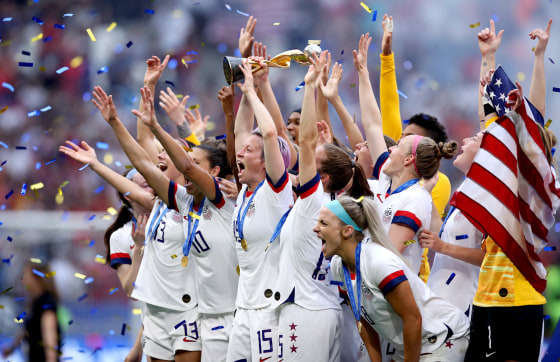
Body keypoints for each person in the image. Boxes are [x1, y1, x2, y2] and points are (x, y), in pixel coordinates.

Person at [92, 85, 201, 362]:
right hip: (156, 313)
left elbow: (146, 157)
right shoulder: (139, 223)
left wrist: (180, 126)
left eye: (166, 155)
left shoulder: (187, 202)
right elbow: (132, 290)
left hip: (196, 310)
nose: (159, 159)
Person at [141, 84, 239, 362]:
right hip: (205, 314)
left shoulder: (224, 198)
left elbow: (190, 165)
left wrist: (162, 126)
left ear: (217, 172)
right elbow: (182, 163)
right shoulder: (185, 200)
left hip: (236, 311)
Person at [314, 196, 470, 361]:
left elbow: (413, 319)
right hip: (413, 342)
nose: (315, 228)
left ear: (347, 230)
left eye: (323, 223)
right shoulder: (338, 266)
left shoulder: (379, 263)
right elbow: (363, 321)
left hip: (442, 338)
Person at [354, 32, 458, 274]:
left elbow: (390, 253)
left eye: (398, 146)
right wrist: (362, 74)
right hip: (373, 294)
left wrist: (351, 254)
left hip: (397, 297)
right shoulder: (387, 177)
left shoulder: (417, 197)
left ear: (410, 158)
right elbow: (372, 125)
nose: (391, 146)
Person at [272, 53, 342, 361]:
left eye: (313, 159)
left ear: (322, 176)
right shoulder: (328, 204)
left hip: (308, 310)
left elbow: (307, 138)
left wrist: (311, 85)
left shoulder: (315, 199)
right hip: (318, 306)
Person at [58, 142, 156, 362]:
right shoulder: (120, 237)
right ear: (128, 195)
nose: (153, 189)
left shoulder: (173, 217)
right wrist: (139, 247)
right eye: (146, 185)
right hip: (159, 324)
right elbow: (131, 290)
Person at [225, 58, 293, 362]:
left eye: (248, 152)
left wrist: (254, 90)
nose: (239, 153)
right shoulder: (245, 194)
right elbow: (243, 132)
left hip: (271, 310)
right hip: (243, 306)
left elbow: (268, 135)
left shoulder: (275, 192)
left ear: (267, 161)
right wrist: (243, 80)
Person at [2, 263, 61, 362]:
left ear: (37, 279)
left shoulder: (46, 303)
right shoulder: (34, 303)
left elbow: (50, 335)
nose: (22, 279)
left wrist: (51, 359)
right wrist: (11, 349)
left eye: (26, 275)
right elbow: (26, 330)